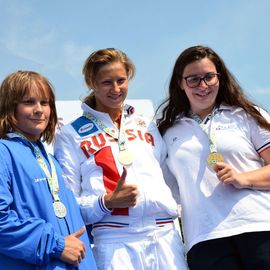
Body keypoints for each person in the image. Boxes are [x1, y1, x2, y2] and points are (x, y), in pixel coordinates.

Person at [53, 48, 187, 270]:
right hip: (114, 240)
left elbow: (170, 182)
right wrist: (106, 202)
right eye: (106, 82)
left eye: (121, 80)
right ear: (91, 82)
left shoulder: (146, 124)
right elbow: (68, 204)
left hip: (163, 235)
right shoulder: (70, 134)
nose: (115, 89)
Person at [156, 45, 270, 270]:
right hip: (204, 237)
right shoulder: (166, 130)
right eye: (193, 79)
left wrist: (243, 178)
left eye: (209, 77)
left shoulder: (246, 115)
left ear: (220, 77)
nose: (203, 86)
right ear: (180, 83)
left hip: (258, 225)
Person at [0, 71, 97, 270]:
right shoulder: (4, 151)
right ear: (10, 107)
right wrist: (56, 245)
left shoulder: (51, 159)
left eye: (44, 103)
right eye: (29, 102)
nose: (39, 110)